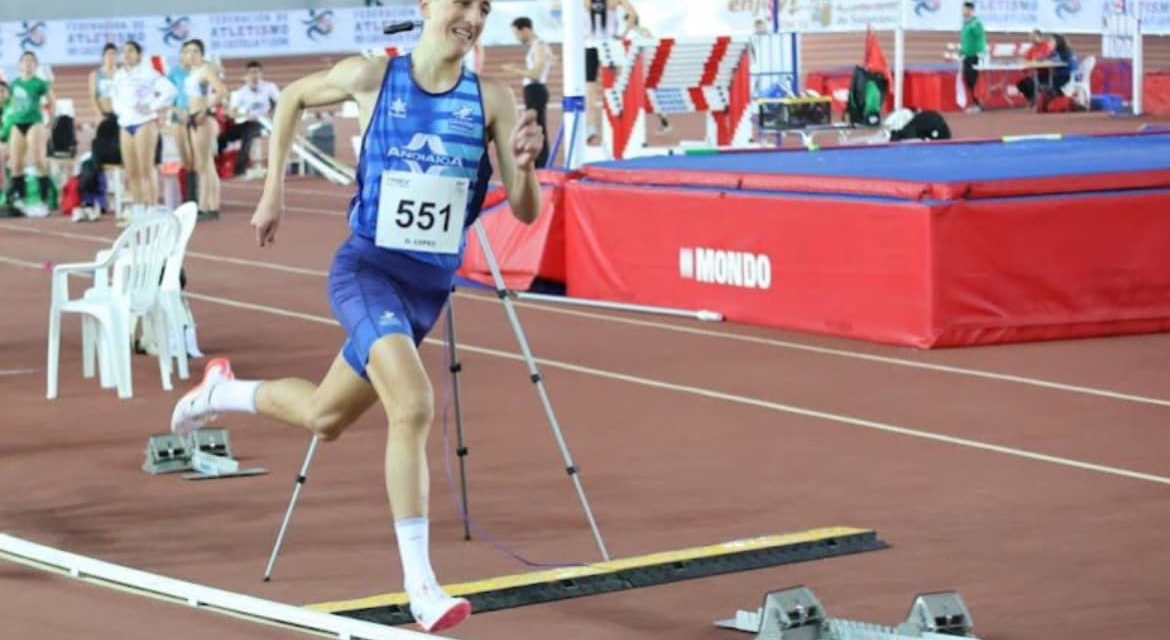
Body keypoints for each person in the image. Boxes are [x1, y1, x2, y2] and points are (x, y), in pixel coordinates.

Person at [169, 0, 543, 632]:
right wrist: (272, 196)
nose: (474, 17)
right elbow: (287, 98)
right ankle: (421, 587)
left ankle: (221, 392)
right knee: (416, 404)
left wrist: (528, 169)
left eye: (484, 8)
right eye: (462, 2)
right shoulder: (373, 76)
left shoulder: (495, 98)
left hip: (427, 291)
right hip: (367, 272)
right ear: (426, 6)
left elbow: (527, 212)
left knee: (325, 416)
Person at [111, 40, 176, 221]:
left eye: (131, 51)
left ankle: (152, 206)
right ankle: (139, 207)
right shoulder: (119, 75)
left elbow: (170, 91)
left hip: (144, 123)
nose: (127, 55)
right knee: (132, 170)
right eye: (124, 51)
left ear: (139, 54)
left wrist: (152, 106)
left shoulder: (148, 73)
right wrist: (120, 112)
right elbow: (114, 96)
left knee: (146, 167)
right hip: (125, 124)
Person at [179, 38, 228, 221]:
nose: (190, 55)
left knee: (206, 163)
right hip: (192, 117)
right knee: (202, 163)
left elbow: (222, 91)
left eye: (194, 51)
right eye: (187, 52)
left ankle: (210, 205)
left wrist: (206, 109)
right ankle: (205, 203)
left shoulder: (206, 71)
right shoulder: (191, 72)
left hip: (203, 118)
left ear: (201, 53)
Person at [5, 51, 55, 216]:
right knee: (16, 164)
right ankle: (20, 199)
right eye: (25, 60)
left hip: (35, 122)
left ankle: (43, 200)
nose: (28, 63)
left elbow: (51, 101)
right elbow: (11, 102)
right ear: (20, 64)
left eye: (31, 61)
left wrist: (50, 122)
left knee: (38, 160)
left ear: (35, 65)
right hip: (17, 123)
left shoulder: (40, 83)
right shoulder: (14, 84)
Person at [583, 0, 638, 145]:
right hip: (610, 45)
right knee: (618, 86)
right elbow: (632, 15)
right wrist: (623, 34)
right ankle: (621, 123)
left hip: (592, 46)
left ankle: (591, 129)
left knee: (590, 90)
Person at [504, 16, 551, 167]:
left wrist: (514, 69)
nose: (517, 38)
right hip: (534, 89)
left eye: (517, 34)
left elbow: (536, 73)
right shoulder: (538, 46)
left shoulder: (539, 46)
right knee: (535, 126)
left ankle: (540, 164)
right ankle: (539, 163)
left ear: (525, 29)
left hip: (535, 89)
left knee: (537, 127)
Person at [224, 60, 280, 178]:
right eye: (252, 73)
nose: (255, 75)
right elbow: (231, 113)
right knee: (223, 137)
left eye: (257, 72)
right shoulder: (240, 92)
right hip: (246, 122)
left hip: (263, 124)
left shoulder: (269, 87)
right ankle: (218, 165)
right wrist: (244, 116)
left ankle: (240, 169)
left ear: (261, 74)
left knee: (248, 134)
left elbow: (280, 103)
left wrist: (271, 114)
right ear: (247, 75)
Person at [89, 43, 122, 172]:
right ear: (103, 56)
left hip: (119, 115)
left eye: (114, 54)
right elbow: (93, 97)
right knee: (101, 147)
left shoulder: (121, 73)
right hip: (104, 114)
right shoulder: (95, 75)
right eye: (108, 54)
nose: (111, 57)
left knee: (120, 147)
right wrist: (99, 115)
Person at [958, 1, 986, 113]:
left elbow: (980, 37)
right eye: (962, 9)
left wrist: (980, 52)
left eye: (965, 9)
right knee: (968, 79)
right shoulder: (965, 23)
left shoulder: (976, 23)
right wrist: (961, 51)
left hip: (975, 56)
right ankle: (974, 102)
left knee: (974, 80)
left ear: (970, 10)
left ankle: (978, 104)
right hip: (967, 56)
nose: (963, 12)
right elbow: (964, 40)